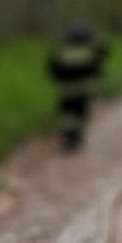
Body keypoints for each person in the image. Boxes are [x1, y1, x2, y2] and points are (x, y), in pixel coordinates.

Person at [47, 22, 108, 151]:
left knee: (68, 115)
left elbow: (52, 67)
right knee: (81, 114)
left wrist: (57, 80)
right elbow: (103, 56)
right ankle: (77, 138)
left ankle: (69, 139)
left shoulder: (61, 49)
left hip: (66, 90)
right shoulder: (90, 49)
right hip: (84, 89)